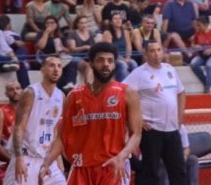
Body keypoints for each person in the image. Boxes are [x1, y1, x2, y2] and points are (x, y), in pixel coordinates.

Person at [40, 42, 142, 183]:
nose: (106, 64)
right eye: (100, 60)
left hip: (112, 166)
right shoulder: (74, 96)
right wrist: (47, 163)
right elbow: (61, 137)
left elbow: (136, 134)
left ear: (114, 65)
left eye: (110, 61)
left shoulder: (127, 93)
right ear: (92, 63)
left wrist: (122, 156)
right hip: (81, 168)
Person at [124, 41, 188, 185]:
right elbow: (122, 94)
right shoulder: (139, 73)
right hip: (152, 130)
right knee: (150, 172)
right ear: (146, 54)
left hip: (172, 130)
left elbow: (181, 92)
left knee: (179, 171)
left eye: (159, 50)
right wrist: (137, 119)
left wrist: (179, 118)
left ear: (163, 51)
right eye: (152, 51)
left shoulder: (170, 69)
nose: (156, 54)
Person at [6, 56, 66, 185]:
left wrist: (59, 164)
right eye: (51, 65)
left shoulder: (61, 96)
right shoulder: (31, 92)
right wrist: (19, 158)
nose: (56, 69)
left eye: (59, 66)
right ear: (42, 69)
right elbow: (18, 127)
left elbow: (57, 135)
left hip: (47, 160)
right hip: (27, 157)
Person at [0, 81, 21, 164]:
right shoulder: (1, 112)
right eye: (11, 89)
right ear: (6, 94)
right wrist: (13, 161)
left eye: (18, 88)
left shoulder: (29, 110)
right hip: (11, 153)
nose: (15, 91)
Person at [190, 16, 211, 94]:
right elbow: (192, 44)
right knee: (193, 64)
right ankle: (205, 81)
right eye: (197, 25)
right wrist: (195, 46)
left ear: (206, 24)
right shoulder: (197, 33)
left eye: (199, 25)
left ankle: (208, 87)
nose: (198, 27)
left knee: (209, 65)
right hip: (201, 56)